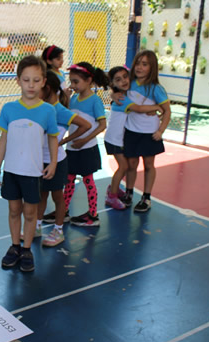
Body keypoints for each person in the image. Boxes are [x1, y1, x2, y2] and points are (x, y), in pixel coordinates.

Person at [0, 55, 58, 272]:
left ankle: (27, 248)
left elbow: (52, 138)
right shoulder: (9, 109)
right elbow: (3, 140)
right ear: (18, 80)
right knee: (13, 210)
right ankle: (15, 246)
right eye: (26, 80)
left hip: (32, 172)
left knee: (31, 213)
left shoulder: (48, 110)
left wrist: (54, 163)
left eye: (36, 80)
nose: (31, 85)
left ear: (44, 82)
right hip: (12, 171)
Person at [114, 50, 171, 212]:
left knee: (148, 164)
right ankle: (129, 192)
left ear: (151, 67)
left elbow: (167, 111)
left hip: (149, 133)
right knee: (131, 164)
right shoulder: (129, 82)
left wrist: (160, 131)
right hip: (131, 131)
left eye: (144, 64)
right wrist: (113, 94)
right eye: (138, 63)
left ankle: (146, 197)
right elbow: (116, 89)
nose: (139, 67)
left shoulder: (156, 88)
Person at [38, 70, 90, 247]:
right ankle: (37, 226)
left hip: (57, 161)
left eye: (39, 86)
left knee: (57, 196)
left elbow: (86, 125)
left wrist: (65, 140)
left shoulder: (60, 111)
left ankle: (58, 231)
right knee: (41, 195)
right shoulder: (40, 108)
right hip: (40, 160)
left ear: (48, 88)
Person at [56, 62, 109, 227]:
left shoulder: (95, 101)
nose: (73, 85)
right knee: (69, 179)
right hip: (72, 148)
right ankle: (63, 211)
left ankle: (93, 215)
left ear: (89, 81)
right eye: (71, 81)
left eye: (76, 82)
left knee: (88, 180)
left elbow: (102, 125)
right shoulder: (73, 99)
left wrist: (85, 140)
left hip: (86, 148)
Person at [104, 66, 164, 210]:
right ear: (113, 83)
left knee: (130, 166)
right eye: (118, 79)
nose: (124, 81)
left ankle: (114, 189)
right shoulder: (122, 98)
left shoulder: (128, 92)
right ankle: (111, 196)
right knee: (124, 166)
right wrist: (156, 107)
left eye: (125, 77)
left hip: (120, 138)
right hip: (115, 139)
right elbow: (138, 108)